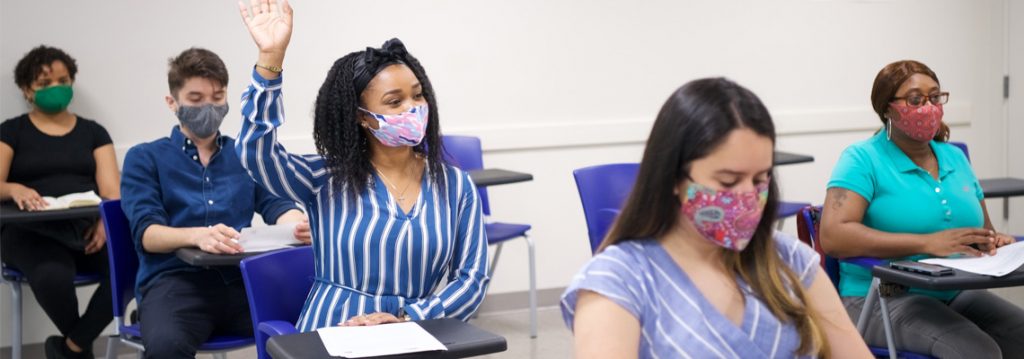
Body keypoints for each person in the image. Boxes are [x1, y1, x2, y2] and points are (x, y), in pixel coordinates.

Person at [560, 78, 872, 358]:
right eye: (727, 182)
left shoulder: (788, 260)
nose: (748, 196)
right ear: (673, 176)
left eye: (760, 179)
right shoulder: (619, 280)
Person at [234, 0, 488, 330]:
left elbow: (472, 279)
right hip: (333, 330)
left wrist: (408, 318)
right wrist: (270, 61)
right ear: (361, 116)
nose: (413, 108)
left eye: (418, 95)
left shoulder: (455, 185)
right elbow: (256, 153)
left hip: (412, 334)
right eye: (395, 101)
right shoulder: (325, 178)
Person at [820, 60, 1024, 358]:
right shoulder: (862, 159)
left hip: (952, 292)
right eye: (915, 99)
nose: (928, 107)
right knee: (976, 351)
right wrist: (927, 244)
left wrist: (994, 240)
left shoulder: (955, 157)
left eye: (935, 97)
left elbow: (985, 229)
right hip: (877, 297)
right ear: (887, 108)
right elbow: (833, 236)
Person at [120, 47, 309, 359]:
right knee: (167, 347)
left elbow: (277, 205)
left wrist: (298, 225)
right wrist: (197, 235)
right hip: (176, 283)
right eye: (195, 99)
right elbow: (147, 234)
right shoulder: (145, 158)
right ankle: (152, 317)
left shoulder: (243, 155)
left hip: (241, 280)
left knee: (312, 323)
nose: (208, 106)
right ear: (173, 102)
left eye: (217, 97)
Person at [0, 45, 118, 359]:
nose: (56, 89)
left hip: (86, 229)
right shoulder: (11, 131)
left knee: (130, 267)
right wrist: (13, 188)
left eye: (63, 80)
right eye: (44, 84)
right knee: (52, 276)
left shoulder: (94, 132)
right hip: (30, 233)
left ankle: (69, 348)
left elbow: (112, 191)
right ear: (27, 90)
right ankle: (80, 351)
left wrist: (105, 224)